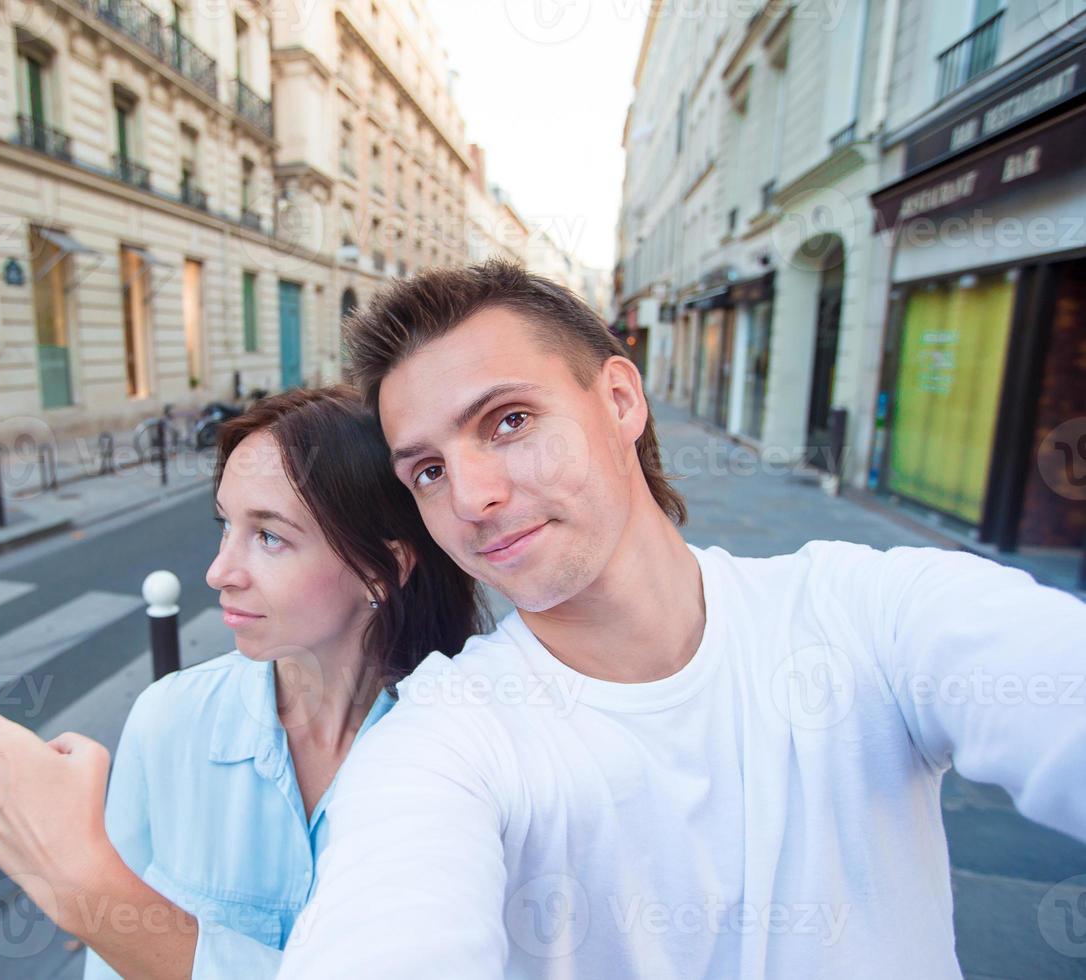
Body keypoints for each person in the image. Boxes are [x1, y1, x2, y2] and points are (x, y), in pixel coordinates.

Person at [268, 259, 1086, 978]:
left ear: (620, 400)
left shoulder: (865, 614)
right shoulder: (446, 737)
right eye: (430, 470)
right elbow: (385, 921)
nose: (472, 497)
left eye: (510, 422)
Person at [0, 386, 486, 977]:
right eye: (226, 526)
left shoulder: (464, 753)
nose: (219, 573)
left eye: (269, 536)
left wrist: (84, 883)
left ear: (384, 567)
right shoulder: (170, 719)